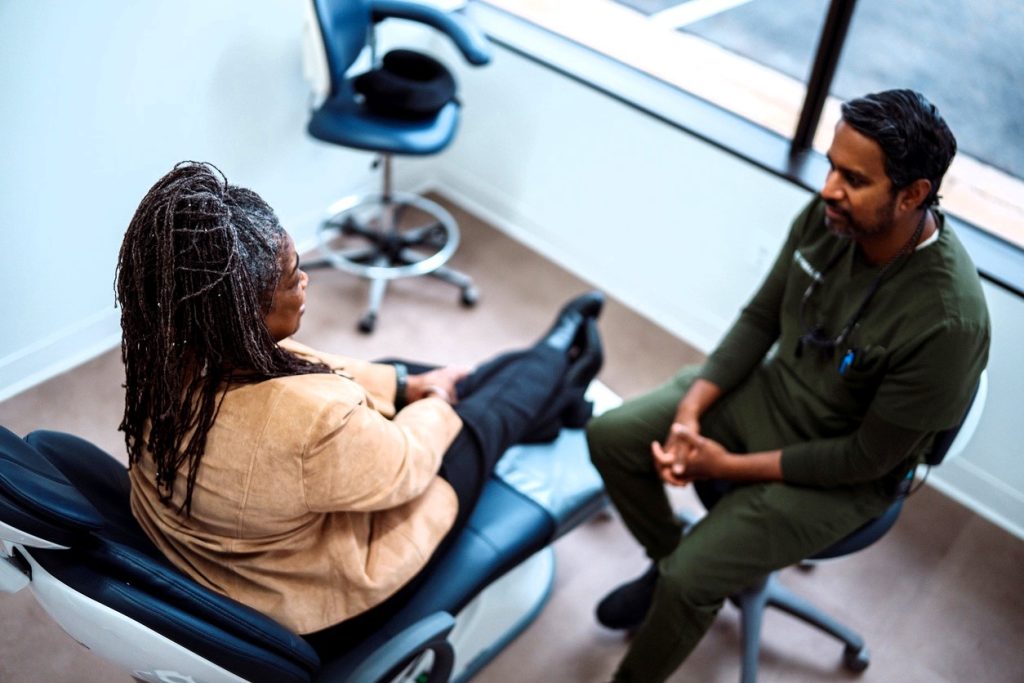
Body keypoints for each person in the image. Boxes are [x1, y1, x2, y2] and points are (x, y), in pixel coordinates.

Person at [115, 161, 604, 651]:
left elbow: (300, 365)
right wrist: (436, 401)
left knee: (395, 368)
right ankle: (564, 354)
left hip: (236, 556)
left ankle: (555, 395)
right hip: (324, 599)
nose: (305, 280)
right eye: (291, 277)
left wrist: (405, 385)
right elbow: (407, 466)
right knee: (482, 421)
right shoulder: (313, 420)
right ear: (244, 315)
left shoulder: (167, 356)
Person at [587, 89, 990, 682]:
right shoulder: (829, 216)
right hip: (772, 393)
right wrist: (690, 416)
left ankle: (673, 586)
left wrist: (723, 466)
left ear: (912, 195)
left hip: (844, 472)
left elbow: (863, 459)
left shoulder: (948, 322)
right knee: (612, 435)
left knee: (689, 582)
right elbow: (759, 319)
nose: (829, 187)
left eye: (853, 178)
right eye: (831, 165)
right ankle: (668, 554)